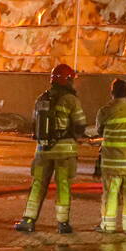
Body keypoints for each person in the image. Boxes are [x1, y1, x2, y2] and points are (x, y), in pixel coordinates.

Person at [14, 63, 87, 234]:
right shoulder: (71, 100)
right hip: (64, 151)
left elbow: (34, 124)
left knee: (38, 184)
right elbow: (80, 125)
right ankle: (62, 223)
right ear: (68, 80)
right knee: (63, 185)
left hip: (43, 149)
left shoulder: (42, 98)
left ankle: (28, 220)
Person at [95, 78, 126, 234]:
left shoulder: (105, 111)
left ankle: (108, 226)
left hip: (112, 162)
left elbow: (100, 131)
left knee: (111, 194)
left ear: (112, 92)